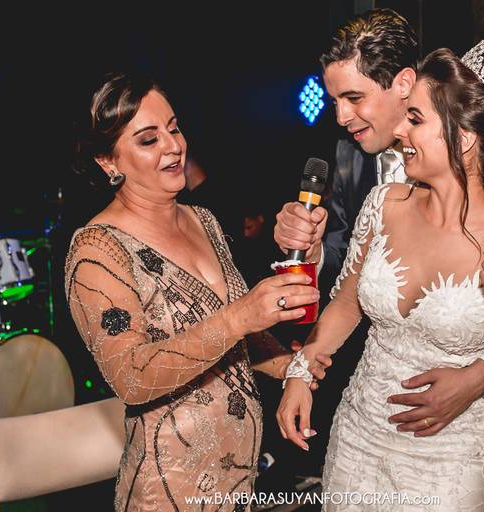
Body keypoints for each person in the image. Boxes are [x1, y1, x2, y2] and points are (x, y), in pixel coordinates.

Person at [273, 9, 484, 485]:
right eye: (335, 100)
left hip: (451, 455)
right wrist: (310, 257)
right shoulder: (368, 181)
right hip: (359, 432)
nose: (341, 116)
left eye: (353, 98)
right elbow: (349, 285)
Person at [65, 72, 328, 510]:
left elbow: (235, 337)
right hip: (169, 491)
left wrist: (291, 367)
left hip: (240, 484)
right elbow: (131, 377)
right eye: (149, 140)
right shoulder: (98, 249)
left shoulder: (203, 219)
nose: (173, 146)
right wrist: (241, 316)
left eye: (174, 128)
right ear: (109, 162)